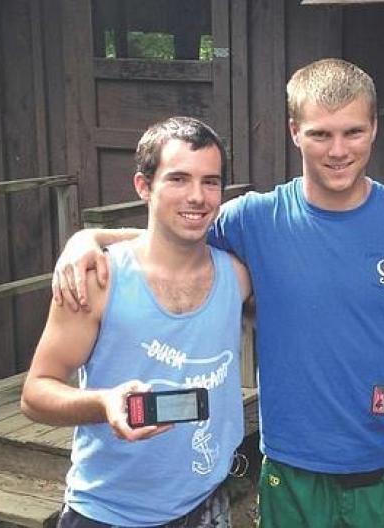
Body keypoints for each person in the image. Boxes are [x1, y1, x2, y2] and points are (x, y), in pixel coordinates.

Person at [51, 59, 384, 527]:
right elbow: (174, 236)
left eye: (353, 132)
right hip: (295, 467)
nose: (338, 150)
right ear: (294, 131)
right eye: (320, 134)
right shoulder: (255, 219)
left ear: (374, 129)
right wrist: (90, 239)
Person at [21, 116, 251, 527]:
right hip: (109, 513)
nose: (197, 196)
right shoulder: (98, 281)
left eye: (210, 181)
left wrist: (91, 233)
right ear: (144, 186)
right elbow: (35, 394)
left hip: (207, 505)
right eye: (178, 179)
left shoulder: (236, 276)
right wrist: (103, 403)